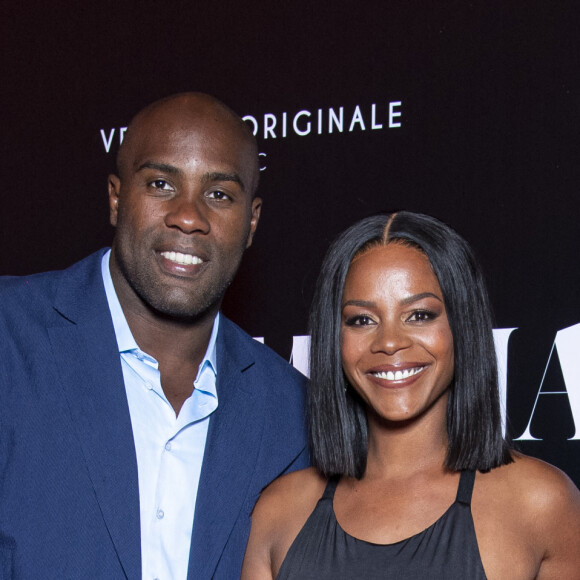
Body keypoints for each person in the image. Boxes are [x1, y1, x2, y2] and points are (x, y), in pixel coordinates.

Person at [0, 93, 308, 579]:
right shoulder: (10, 337)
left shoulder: (291, 412)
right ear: (116, 197)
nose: (188, 216)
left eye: (219, 194)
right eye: (162, 183)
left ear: (251, 222)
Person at [242, 212, 580, 579]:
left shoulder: (540, 502)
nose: (389, 342)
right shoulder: (279, 512)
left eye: (419, 315)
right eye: (362, 320)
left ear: (462, 326)